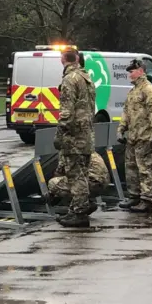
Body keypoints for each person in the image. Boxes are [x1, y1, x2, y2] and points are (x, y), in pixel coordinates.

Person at [53, 47, 96, 228]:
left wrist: (59, 134)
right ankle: (79, 208)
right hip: (86, 134)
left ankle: (79, 213)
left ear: (63, 60)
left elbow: (67, 112)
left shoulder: (70, 80)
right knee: (83, 173)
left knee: (75, 176)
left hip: (74, 137)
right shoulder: (86, 78)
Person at [116, 58, 152, 213]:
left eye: (132, 71)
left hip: (145, 137)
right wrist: (121, 129)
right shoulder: (133, 91)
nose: (130, 74)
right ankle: (134, 197)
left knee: (146, 169)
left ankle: (146, 200)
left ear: (141, 71)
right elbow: (126, 112)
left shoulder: (148, 90)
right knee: (131, 168)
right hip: (133, 137)